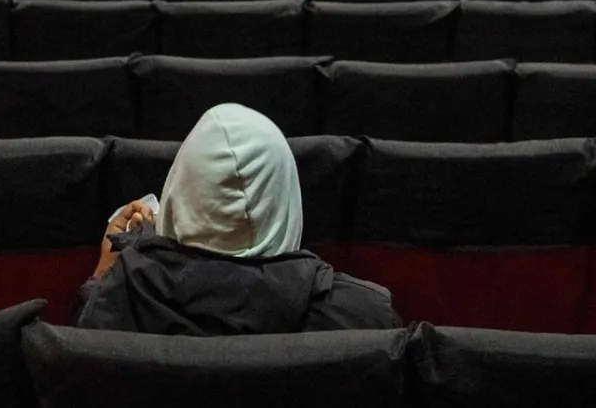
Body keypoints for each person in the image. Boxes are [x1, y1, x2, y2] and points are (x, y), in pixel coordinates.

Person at [73, 103, 401, 336]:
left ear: (178, 193)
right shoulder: (367, 320)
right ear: (286, 198)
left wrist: (103, 278)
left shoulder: (110, 309)